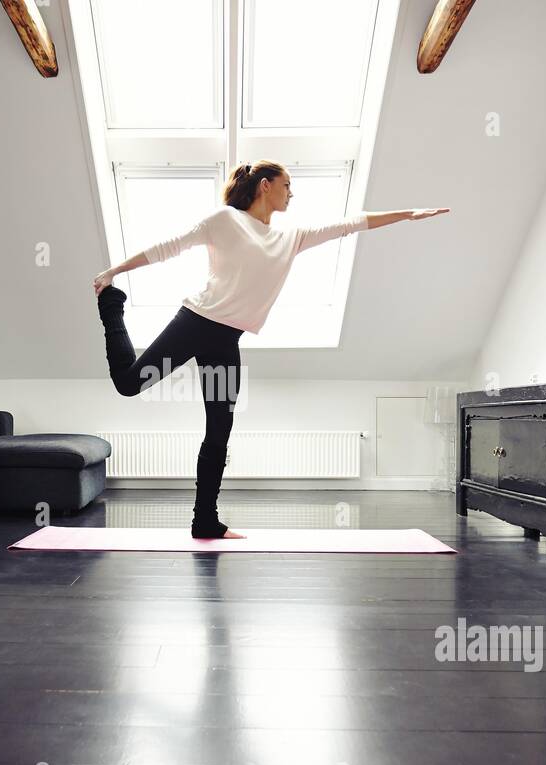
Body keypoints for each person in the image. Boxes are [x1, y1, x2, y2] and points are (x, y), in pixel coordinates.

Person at [92, 159, 449, 539]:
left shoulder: (289, 239)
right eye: (287, 184)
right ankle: (111, 307)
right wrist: (113, 273)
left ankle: (205, 520)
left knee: (219, 431)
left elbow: (351, 224)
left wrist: (408, 214)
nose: (291, 192)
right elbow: (168, 248)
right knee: (130, 384)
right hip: (194, 323)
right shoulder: (225, 220)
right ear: (265, 186)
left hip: (227, 340)